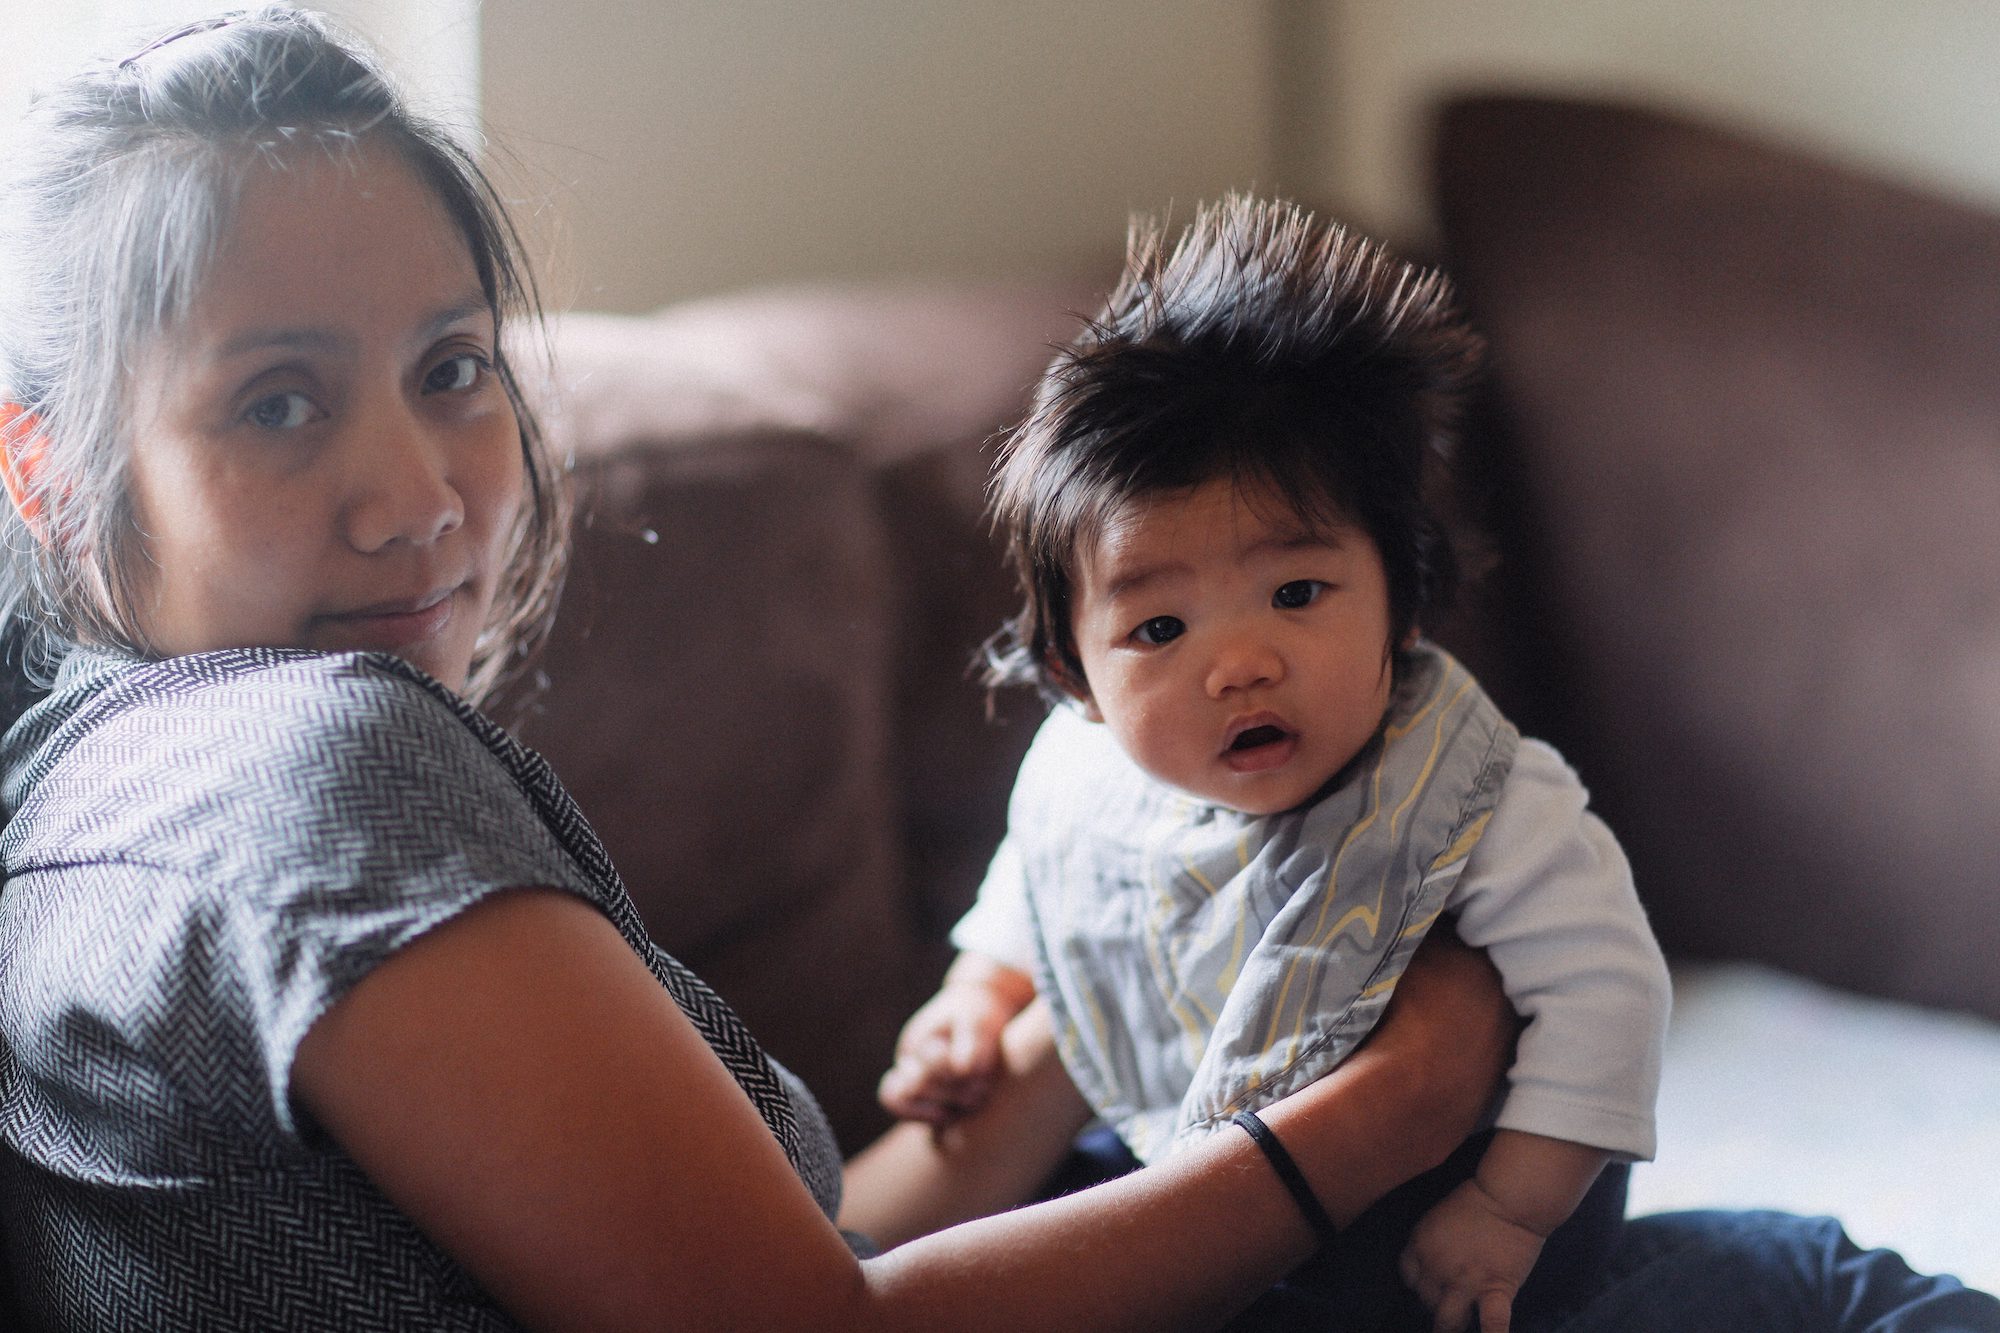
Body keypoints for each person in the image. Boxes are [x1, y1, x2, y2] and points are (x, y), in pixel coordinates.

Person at [0, 10, 1991, 1333]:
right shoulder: (306, 784)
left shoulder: (92, 803)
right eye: (274, 405)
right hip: (1351, 1199)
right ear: (51, 463)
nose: (413, 492)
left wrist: (1022, 1043)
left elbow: (811, 1252)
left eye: (451, 370)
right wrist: (1384, 1114)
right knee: (1829, 1297)